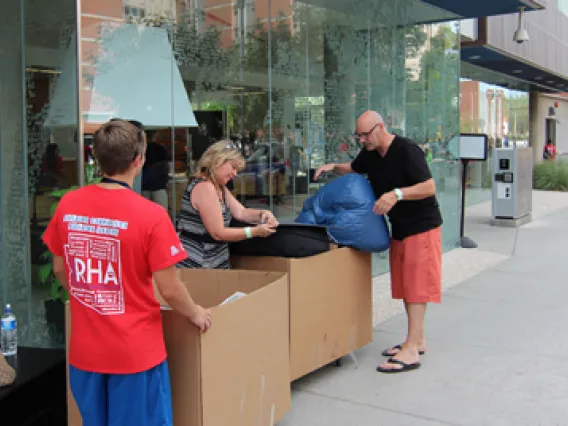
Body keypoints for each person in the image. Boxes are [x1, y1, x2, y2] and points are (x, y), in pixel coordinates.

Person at [42, 119, 212, 426]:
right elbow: (170, 289)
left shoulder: (68, 205)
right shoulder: (151, 215)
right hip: (135, 355)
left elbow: (59, 267)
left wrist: (93, 294)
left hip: (85, 353)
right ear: (139, 160)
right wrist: (196, 313)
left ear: (97, 158)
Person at [314, 110, 443, 374]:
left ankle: (411, 349)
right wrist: (333, 167)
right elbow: (354, 167)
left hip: (422, 227)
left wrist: (396, 194)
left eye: (365, 134)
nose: (361, 140)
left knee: (417, 287)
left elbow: (429, 186)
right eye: (358, 135)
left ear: (380, 127)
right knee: (406, 286)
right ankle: (416, 339)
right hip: (400, 228)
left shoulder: (406, 149)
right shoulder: (371, 155)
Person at [177, 140, 278, 269]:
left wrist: (263, 214)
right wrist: (253, 232)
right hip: (198, 263)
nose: (235, 173)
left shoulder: (220, 187)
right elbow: (218, 233)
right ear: (218, 161)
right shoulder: (205, 188)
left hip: (216, 259)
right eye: (233, 167)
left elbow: (241, 213)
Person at [142, 133, 170, 210]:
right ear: (155, 136)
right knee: (161, 211)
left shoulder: (142, 149)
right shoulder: (161, 149)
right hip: (159, 185)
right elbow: (166, 165)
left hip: (144, 185)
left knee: (144, 212)